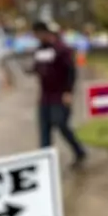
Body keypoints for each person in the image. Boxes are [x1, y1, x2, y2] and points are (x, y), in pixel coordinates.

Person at [29, 20, 87, 169]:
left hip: (60, 94)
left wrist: (68, 91)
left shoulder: (62, 49)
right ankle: (44, 162)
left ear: (47, 33)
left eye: (39, 34)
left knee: (61, 124)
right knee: (44, 128)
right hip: (45, 96)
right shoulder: (40, 50)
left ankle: (79, 151)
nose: (37, 37)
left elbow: (71, 71)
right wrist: (32, 70)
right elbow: (38, 66)